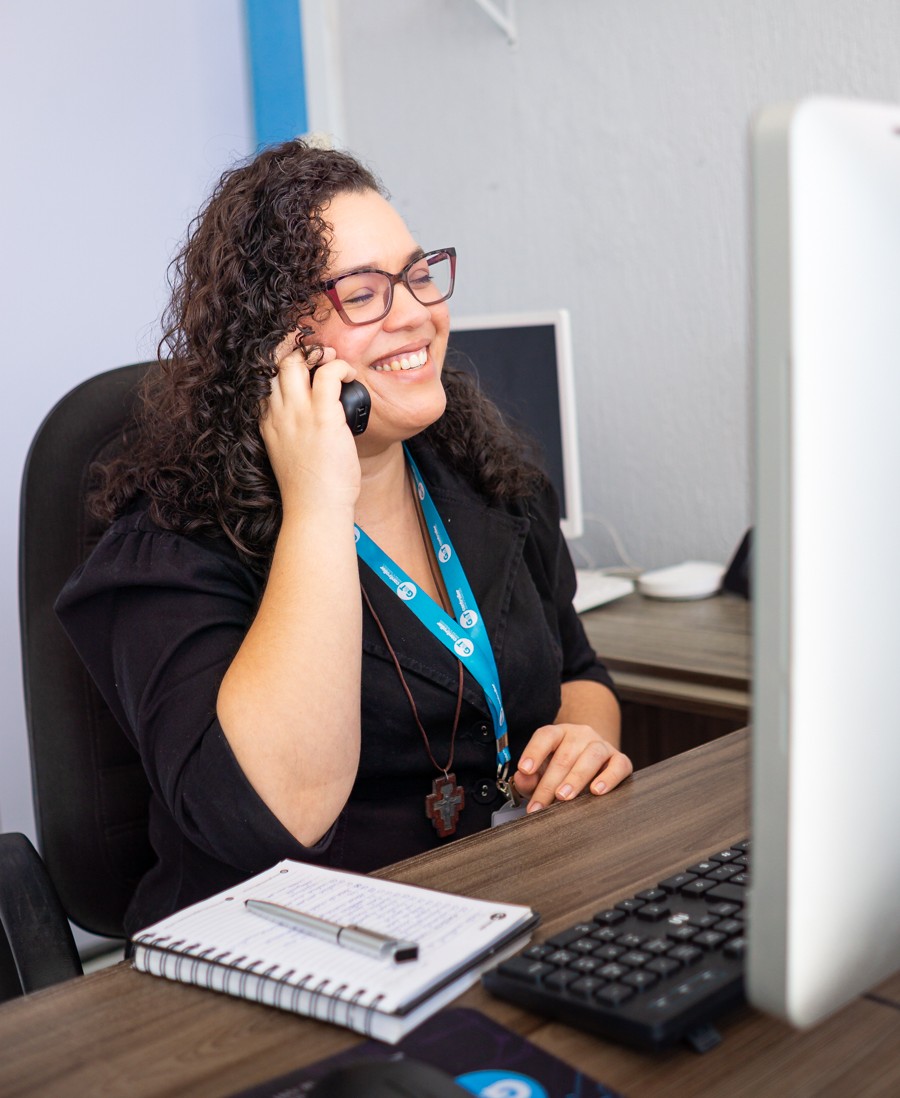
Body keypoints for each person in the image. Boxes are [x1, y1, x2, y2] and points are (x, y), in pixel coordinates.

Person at [56, 140, 631, 934]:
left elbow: (578, 670)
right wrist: (321, 501)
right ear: (275, 345)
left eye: (418, 274)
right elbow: (275, 819)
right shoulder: (174, 547)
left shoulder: (490, 481)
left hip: (489, 914)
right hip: (272, 961)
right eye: (363, 293)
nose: (416, 313)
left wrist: (582, 741)